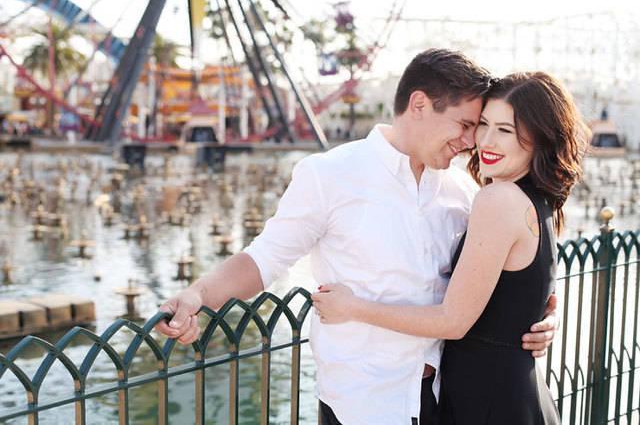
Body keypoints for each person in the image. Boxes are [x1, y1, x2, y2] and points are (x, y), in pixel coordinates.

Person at [155, 49, 557, 425]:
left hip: (440, 399)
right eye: (467, 125)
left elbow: (499, 277)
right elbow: (263, 259)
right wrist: (198, 295)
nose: (472, 141)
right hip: (363, 404)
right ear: (418, 105)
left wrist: (540, 318)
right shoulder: (330, 175)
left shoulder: (463, 190)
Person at [312, 71, 588, 424]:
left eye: (505, 130)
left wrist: (352, 307)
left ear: (540, 137)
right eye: (483, 124)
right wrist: (548, 317)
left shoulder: (498, 199)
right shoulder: (538, 201)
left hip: (487, 398)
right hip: (516, 391)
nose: (486, 141)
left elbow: (452, 321)